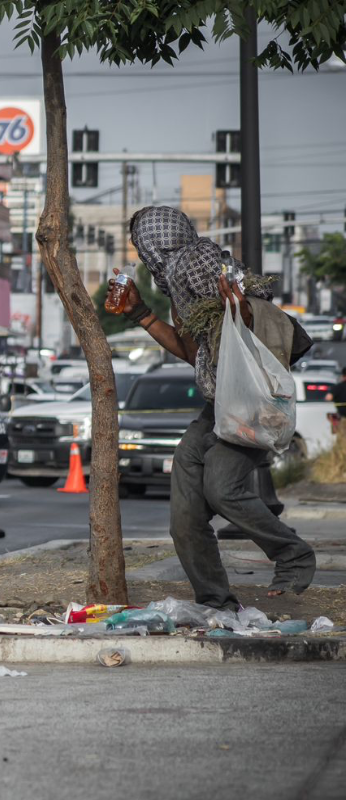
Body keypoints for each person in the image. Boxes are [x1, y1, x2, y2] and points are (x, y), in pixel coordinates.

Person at [108, 206, 316, 610]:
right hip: (216, 407)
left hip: (250, 404)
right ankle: (216, 602)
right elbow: (192, 353)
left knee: (222, 488)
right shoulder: (175, 289)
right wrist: (139, 314)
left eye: (140, 246)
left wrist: (242, 305)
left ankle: (293, 556)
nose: (141, 256)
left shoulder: (197, 258)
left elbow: (251, 297)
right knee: (184, 519)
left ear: (153, 242)